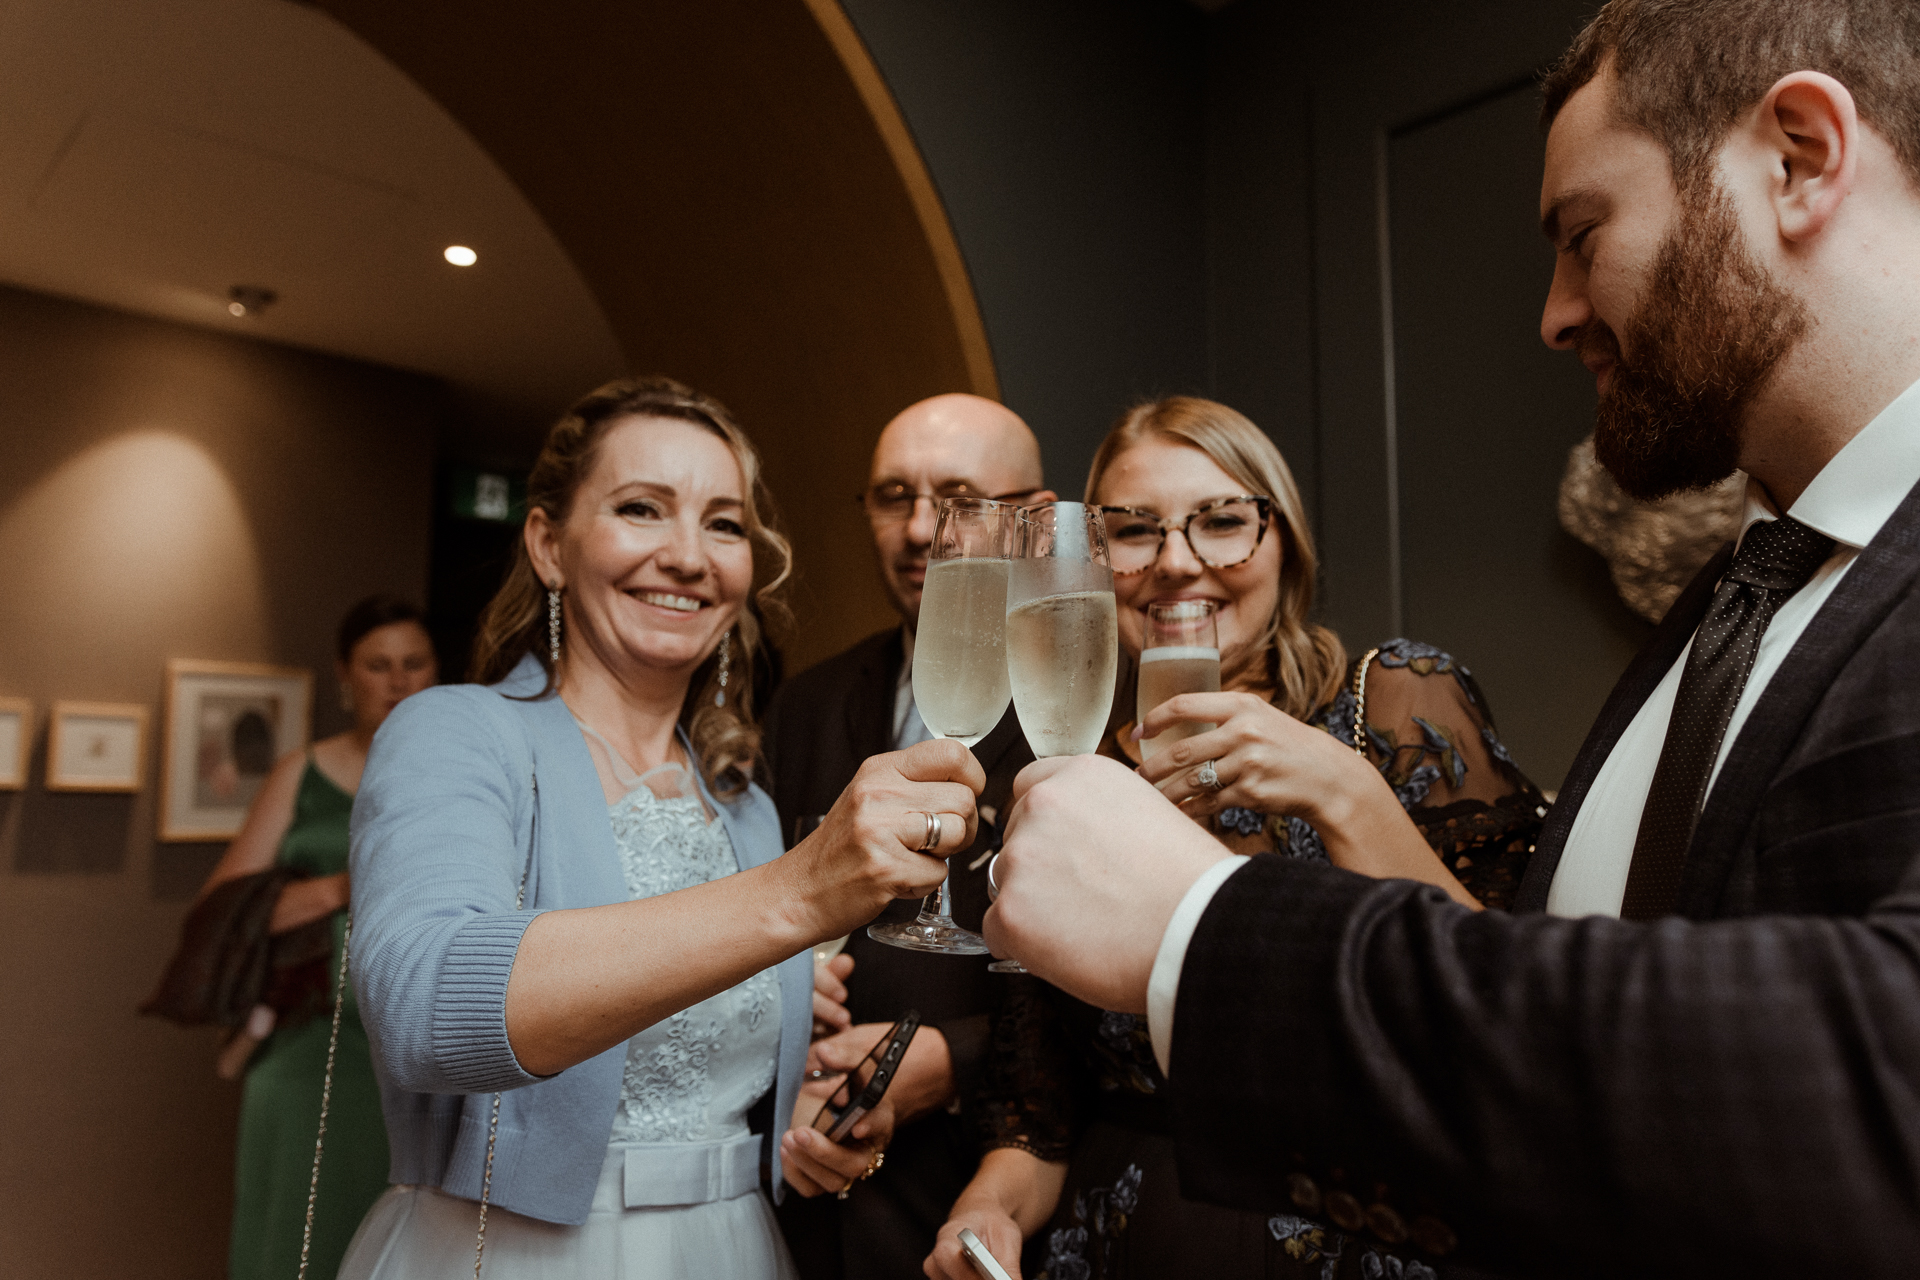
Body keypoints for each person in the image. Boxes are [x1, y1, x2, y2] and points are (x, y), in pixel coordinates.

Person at [983, 2, 1920, 1276]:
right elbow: (1553, 1017)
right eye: (1137, 529)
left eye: (1583, 233)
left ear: (1801, 154)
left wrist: (1199, 929)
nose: (1554, 312)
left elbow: (1873, 1077)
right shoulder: (1733, 602)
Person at [339, 377, 983, 1279]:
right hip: (516, 1255)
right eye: (642, 509)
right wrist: (799, 891)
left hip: (731, 1246)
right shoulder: (456, 732)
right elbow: (424, 1012)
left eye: (723, 524)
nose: (688, 556)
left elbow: (715, 1082)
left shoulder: (742, 804)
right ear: (548, 544)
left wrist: (801, 1118)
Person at [926, 397, 1543, 1280]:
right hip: (1121, 1244)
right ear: (1094, 563)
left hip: (1360, 1234)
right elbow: (1038, 1113)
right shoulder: (1077, 767)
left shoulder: (1392, 701)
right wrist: (985, 1211)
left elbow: (1511, 1023)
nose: (1178, 564)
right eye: (1135, 532)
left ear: (1282, 540)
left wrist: (1342, 790)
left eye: (1222, 522)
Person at [766, 392, 1054, 1280]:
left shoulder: (1081, 712)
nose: (921, 527)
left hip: (986, 1215)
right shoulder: (807, 704)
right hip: (801, 1208)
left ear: (1034, 521)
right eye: (893, 496)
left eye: (957, 496)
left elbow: (1112, 1004)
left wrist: (956, 1059)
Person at [182, 595, 438, 1280]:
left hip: (413, 1058)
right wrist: (340, 888)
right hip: (305, 1047)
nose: (398, 681)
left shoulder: (454, 779)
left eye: (414, 663)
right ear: (344, 676)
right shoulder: (304, 770)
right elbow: (220, 914)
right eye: (378, 665)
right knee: (290, 1243)